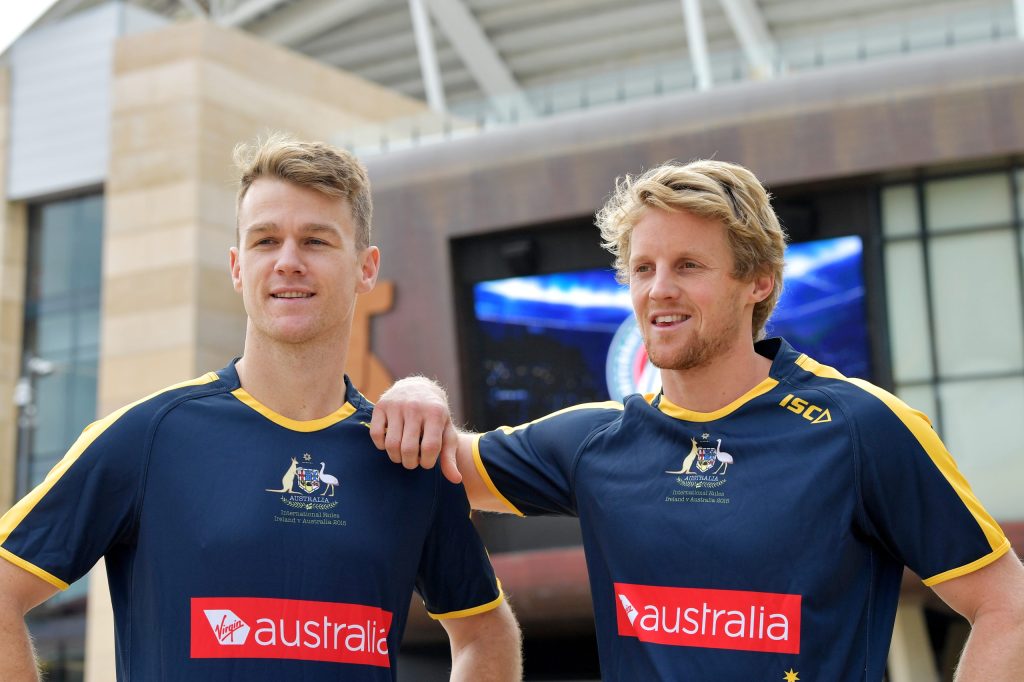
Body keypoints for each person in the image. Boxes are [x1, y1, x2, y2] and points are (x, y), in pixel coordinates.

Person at [372, 159, 1024, 680]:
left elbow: (1008, 610)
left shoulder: (863, 428)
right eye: (643, 269)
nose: (659, 290)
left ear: (758, 282)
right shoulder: (596, 440)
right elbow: (433, 456)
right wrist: (415, 390)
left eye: (688, 266)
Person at [0, 135, 521, 681]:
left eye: (316, 241)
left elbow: (485, 633)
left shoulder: (404, 454)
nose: (288, 262)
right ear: (236, 266)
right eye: (266, 240)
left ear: (366, 268)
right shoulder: (149, 438)